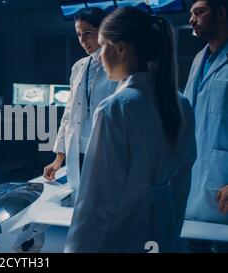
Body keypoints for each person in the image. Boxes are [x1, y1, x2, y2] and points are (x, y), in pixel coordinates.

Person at [65, 7, 197, 252]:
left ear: (121, 48)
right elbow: (182, 185)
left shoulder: (115, 109)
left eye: (103, 46)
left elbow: (95, 203)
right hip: (163, 231)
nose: (100, 55)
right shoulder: (182, 104)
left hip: (124, 233)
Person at [43, 8, 118, 203]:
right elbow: (69, 114)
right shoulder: (78, 67)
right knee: (82, 207)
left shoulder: (119, 64)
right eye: (78, 34)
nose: (83, 40)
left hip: (108, 151)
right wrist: (58, 159)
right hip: (79, 151)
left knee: (106, 207)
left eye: (88, 34)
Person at [184, 0, 228, 253]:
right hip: (193, 182)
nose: (192, 19)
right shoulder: (199, 59)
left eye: (199, 12)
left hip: (222, 185)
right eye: (190, 13)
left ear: (221, 13)